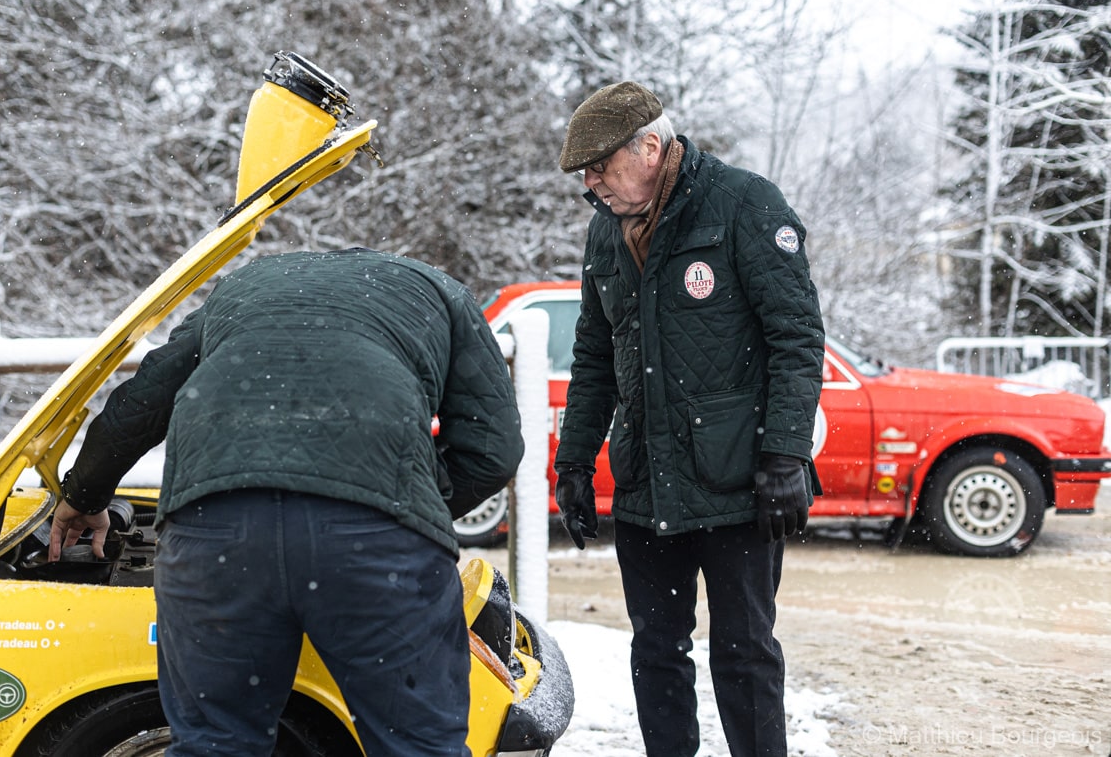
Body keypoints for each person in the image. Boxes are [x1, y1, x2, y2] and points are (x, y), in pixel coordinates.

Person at [48, 248, 524, 757]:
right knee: (416, 746)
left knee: (215, 742)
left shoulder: (245, 287)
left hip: (216, 527)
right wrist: (401, 508)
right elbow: (492, 449)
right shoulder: (440, 291)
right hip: (375, 543)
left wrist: (84, 495)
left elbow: (141, 401)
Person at [552, 82, 825, 757]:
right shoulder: (604, 233)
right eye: (583, 174)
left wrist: (785, 454)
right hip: (647, 488)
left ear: (651, 147)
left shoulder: (743, 205)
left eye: (600, 167)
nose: (591, 185)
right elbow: (594, 355)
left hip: (738, 486)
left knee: (745, 654)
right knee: (656, 654)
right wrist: (575, 462)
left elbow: (796, 336)